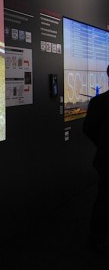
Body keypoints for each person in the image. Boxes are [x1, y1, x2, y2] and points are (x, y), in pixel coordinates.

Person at [83, 65, 109, 255]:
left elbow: (88, 129)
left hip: (105, 159)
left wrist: (102, 144)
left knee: (104, 197)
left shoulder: (98, 102)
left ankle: (97, 237)